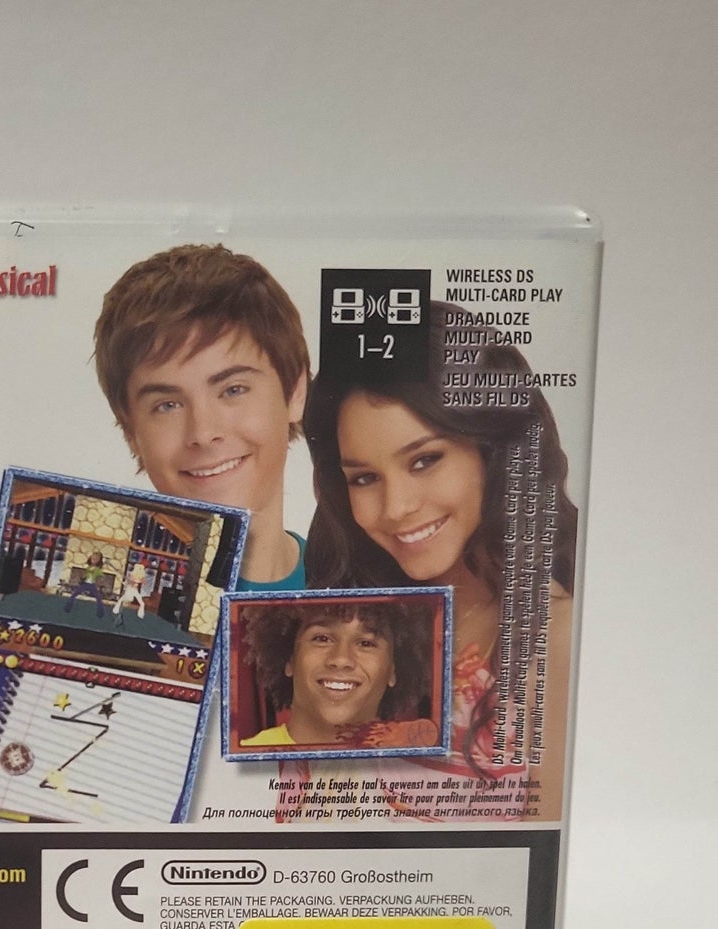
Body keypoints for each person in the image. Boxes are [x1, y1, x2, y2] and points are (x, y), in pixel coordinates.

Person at [302, 302, 578, 812]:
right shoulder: (359, 613)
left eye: (424, 460)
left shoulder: (557, 637)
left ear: (492, 451)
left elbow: (548, 852)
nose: (396, 507)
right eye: (364, 478)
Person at [93, 244, 310, 588]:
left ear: (295, 392)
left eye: (233, 390)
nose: (203, 433)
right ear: (130, 430)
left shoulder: (362, 591)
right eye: (168, 405)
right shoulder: (109, 602)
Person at [238, 601, 433, 748]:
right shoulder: (242, 763)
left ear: (393, 669)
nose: (341, 659)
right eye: (322, 638)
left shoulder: (415, 770)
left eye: (366, 643)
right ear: (289, 659)